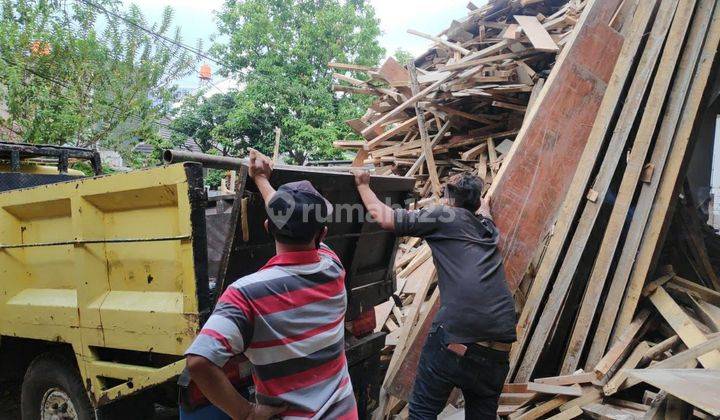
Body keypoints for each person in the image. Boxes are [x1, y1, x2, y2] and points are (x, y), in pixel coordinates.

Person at [185, 149, 357, 420]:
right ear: (322, 234)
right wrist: (264, 181)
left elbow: (199, 362)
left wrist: (246, 413)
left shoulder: (245, 295)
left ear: (267, 227)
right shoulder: (333, 266)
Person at [352, 171, 517, 419]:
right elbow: (485, 211)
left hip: (459, 338)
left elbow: (385, 219)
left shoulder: (445, 215)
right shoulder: (487, 229)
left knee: (422, 413)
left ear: (450, 200)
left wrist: (363, 185)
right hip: (499, 348)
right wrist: (481, 202)